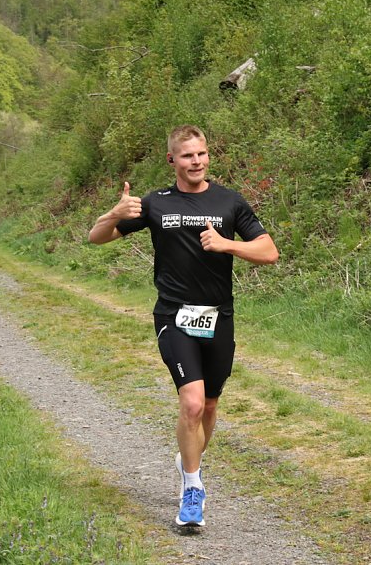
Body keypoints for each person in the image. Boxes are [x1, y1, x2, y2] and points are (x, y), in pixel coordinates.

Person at [88, 125, 279, 527]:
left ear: (208, 156)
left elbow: (269, 251)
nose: (196, 162)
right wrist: (113, 214)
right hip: (173, 315)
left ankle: (187, 458)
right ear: (172, 160)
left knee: (209, 405)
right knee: (191, 402)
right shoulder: (156, 203)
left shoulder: (229, 201)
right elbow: (96, 237)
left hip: (218, 317)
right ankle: (192, 489)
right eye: (187, 155)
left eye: (202, 154)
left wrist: (228, 244)